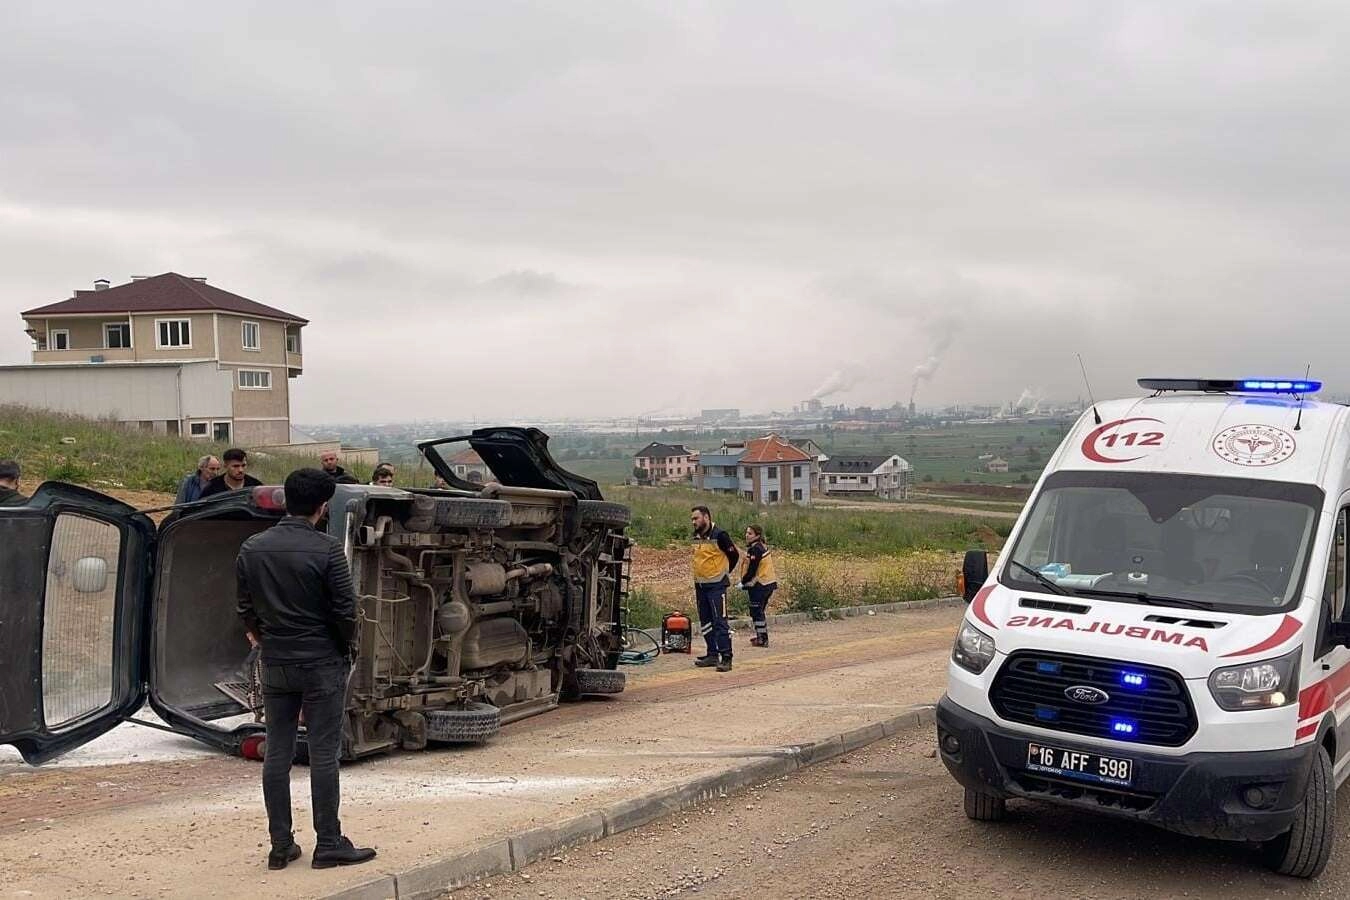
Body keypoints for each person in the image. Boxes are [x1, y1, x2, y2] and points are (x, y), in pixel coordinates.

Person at [235, 468, 376, 871]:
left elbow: (245, 607)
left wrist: (263, 637)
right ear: (320, 507)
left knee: (276, 752)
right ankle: (328, 842)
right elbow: (345, 610)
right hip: (321, 662)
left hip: (276, 661)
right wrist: (344, 645)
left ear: (286, 501)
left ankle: (281, 845)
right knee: (324, 753)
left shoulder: (252, 548)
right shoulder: (328, 549)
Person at [689, 505, 739, 672]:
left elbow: (734, 555)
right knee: (706, 622)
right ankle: (712, 654)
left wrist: (724, 572)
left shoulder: (720, 535)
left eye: (696, 518)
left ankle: (726, 657)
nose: (693, 522)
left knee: (720, 622)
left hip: (717, 586)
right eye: (692, 519)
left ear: (706, 517)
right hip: (701, 586)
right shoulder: (696, 536)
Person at [738, 524, 778, 648]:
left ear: (757, 536)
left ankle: (762, 638)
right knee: (759, 611)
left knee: (756, 611)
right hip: (768, 584)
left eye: (750, 533)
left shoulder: (756, 549)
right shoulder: (761, 547)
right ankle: (761, 636)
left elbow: (752, 569)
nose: (747, 535)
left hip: (760, 585)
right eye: (746, 532)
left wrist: (743, 582)